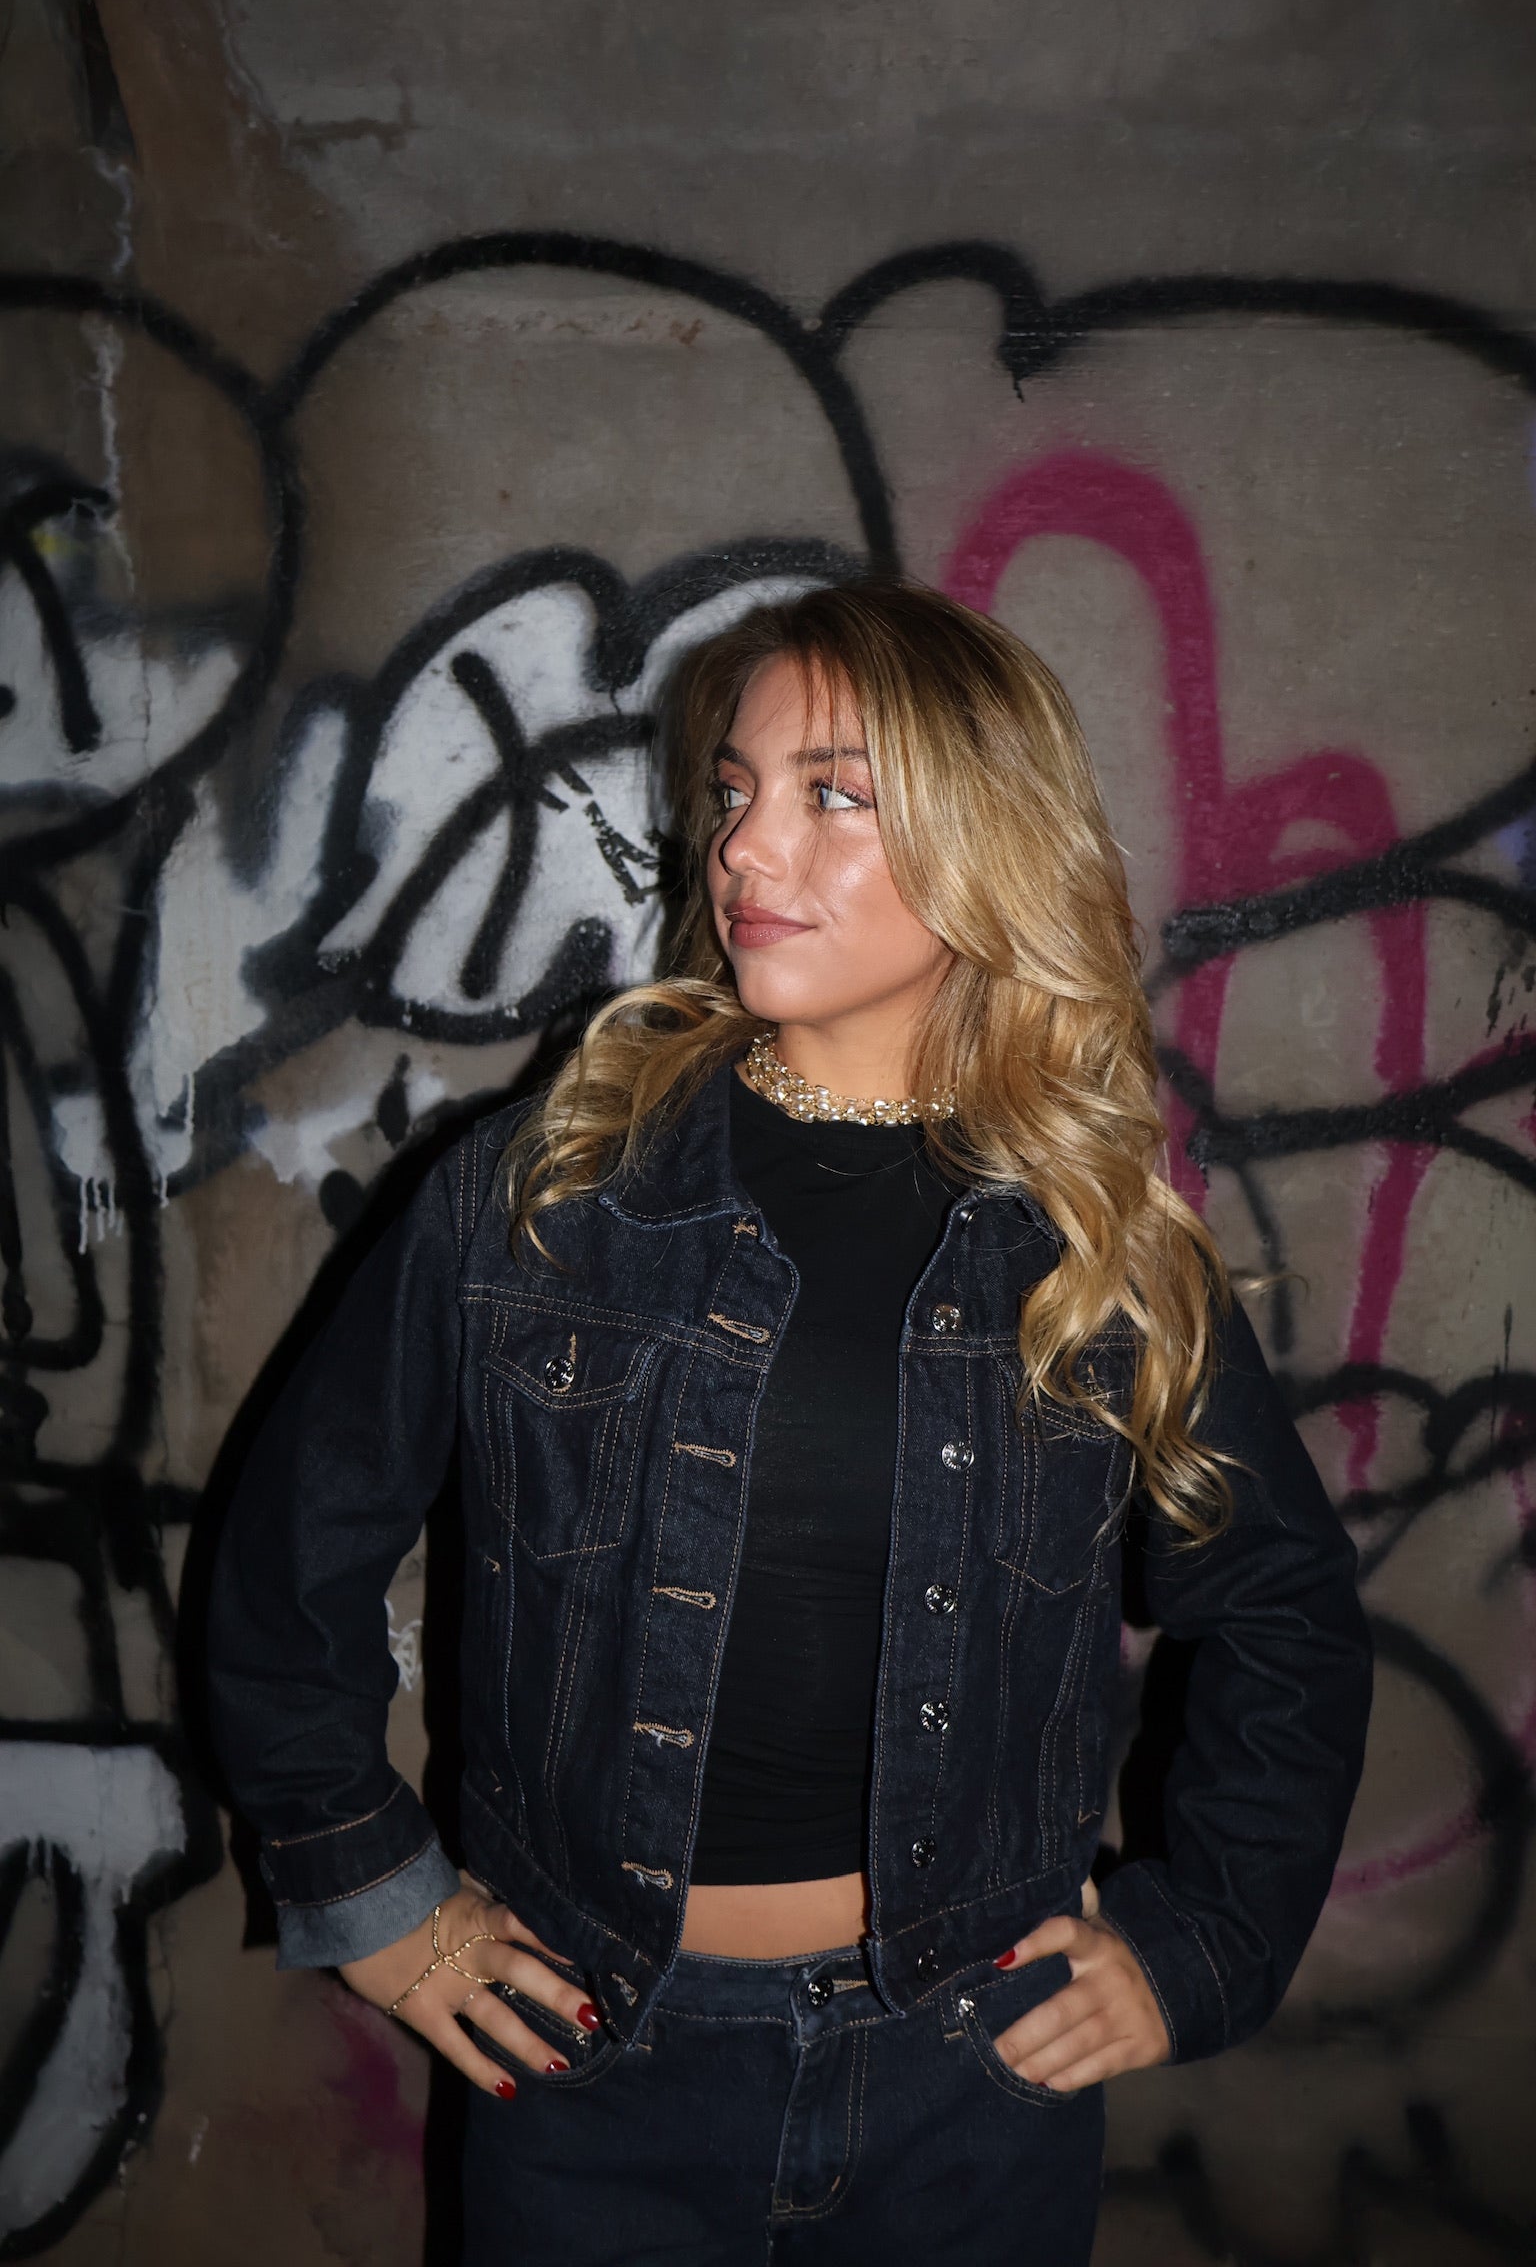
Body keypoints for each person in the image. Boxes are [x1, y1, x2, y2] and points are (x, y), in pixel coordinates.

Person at [208, 578, 1373, 2265]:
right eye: (736, 792)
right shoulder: (547, 1196)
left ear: (989, 838)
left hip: (969, 2079)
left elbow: (1282, 1611)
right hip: (595, 2059)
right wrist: (379, 1901)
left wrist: (1197, 1944)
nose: (746, 849)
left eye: (835, 795)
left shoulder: (1092, 1242)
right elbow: (285, 1568)